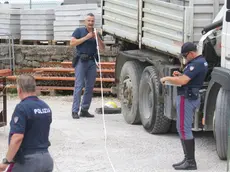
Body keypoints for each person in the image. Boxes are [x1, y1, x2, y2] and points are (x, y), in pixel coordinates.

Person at [160, 42, 208, 170]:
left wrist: (167, 78)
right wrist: (180, 75)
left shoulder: (196, 63)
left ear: (191, 53)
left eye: (186, 56)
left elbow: (183, 81)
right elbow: (188, 79)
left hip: (187, 98)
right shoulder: (200, 62)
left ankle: (190, 161)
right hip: (190, 96)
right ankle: (187, 159)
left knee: (183, 128)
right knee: (182, 127)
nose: (185, 59)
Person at [0, 75, 53, 172]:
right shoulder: (45, 107)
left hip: (27, 162)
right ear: (34, 88)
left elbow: (17, 138)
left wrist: (6, 162)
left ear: (19, 90)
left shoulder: (22, 108)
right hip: (46, 160)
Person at [70, 13, 105, 119]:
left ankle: (84, 110)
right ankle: (75, 111)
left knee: (89, 87)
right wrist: (86, 37)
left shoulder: (96, 32)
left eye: (92, 21)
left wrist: (97, 37)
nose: (90, 23)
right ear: (85, 22)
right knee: (79, 86)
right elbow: (72, 43)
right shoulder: (79, 31)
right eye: (89, 20)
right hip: (81, 61)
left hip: (92, 62)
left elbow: (103, 48)